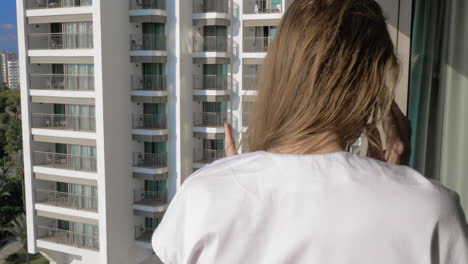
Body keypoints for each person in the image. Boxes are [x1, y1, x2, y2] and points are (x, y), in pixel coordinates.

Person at [152, 0, 468, 263]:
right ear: (371, 87)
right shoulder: (432, 211)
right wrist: (395, 183)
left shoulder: (202, 198)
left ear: (280, 74)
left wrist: (237, 182)